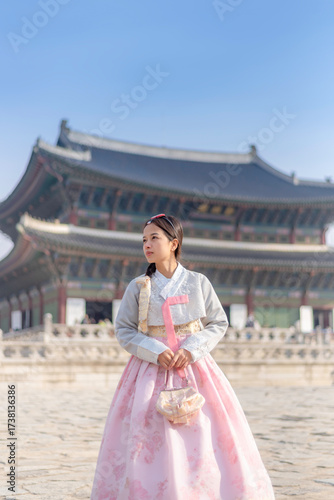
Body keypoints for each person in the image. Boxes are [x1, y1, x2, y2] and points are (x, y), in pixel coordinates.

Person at [90, 213, 275, 499]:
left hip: (194, 367)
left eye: (155, 238)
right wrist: (155, 350)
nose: (147, 245)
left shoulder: (198, 282)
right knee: (147, 431)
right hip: (151, 371)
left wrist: (191, 348)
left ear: (174, 243)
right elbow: (124, 330)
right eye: (144, 239)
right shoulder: (138, 287)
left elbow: (218, 322)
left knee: (204, 428)